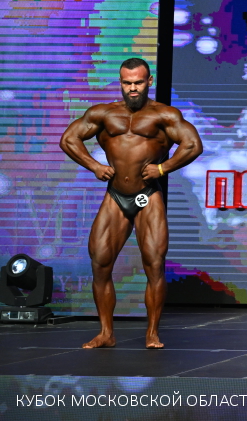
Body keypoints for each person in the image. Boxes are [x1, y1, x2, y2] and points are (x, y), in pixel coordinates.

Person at [59, 58, 203, 349]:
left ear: (149, 81)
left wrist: (163, 168)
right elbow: (69, 139)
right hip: (115, 195)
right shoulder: (103, 113)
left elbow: (193, 145)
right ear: (121, 82)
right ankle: (106, 333)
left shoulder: (164, 115)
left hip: (147, 196)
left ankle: (152, 333)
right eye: (127, 83)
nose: (133, 88)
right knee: (100, 261)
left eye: (138, 82)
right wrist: (94, 166)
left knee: (154, 263)